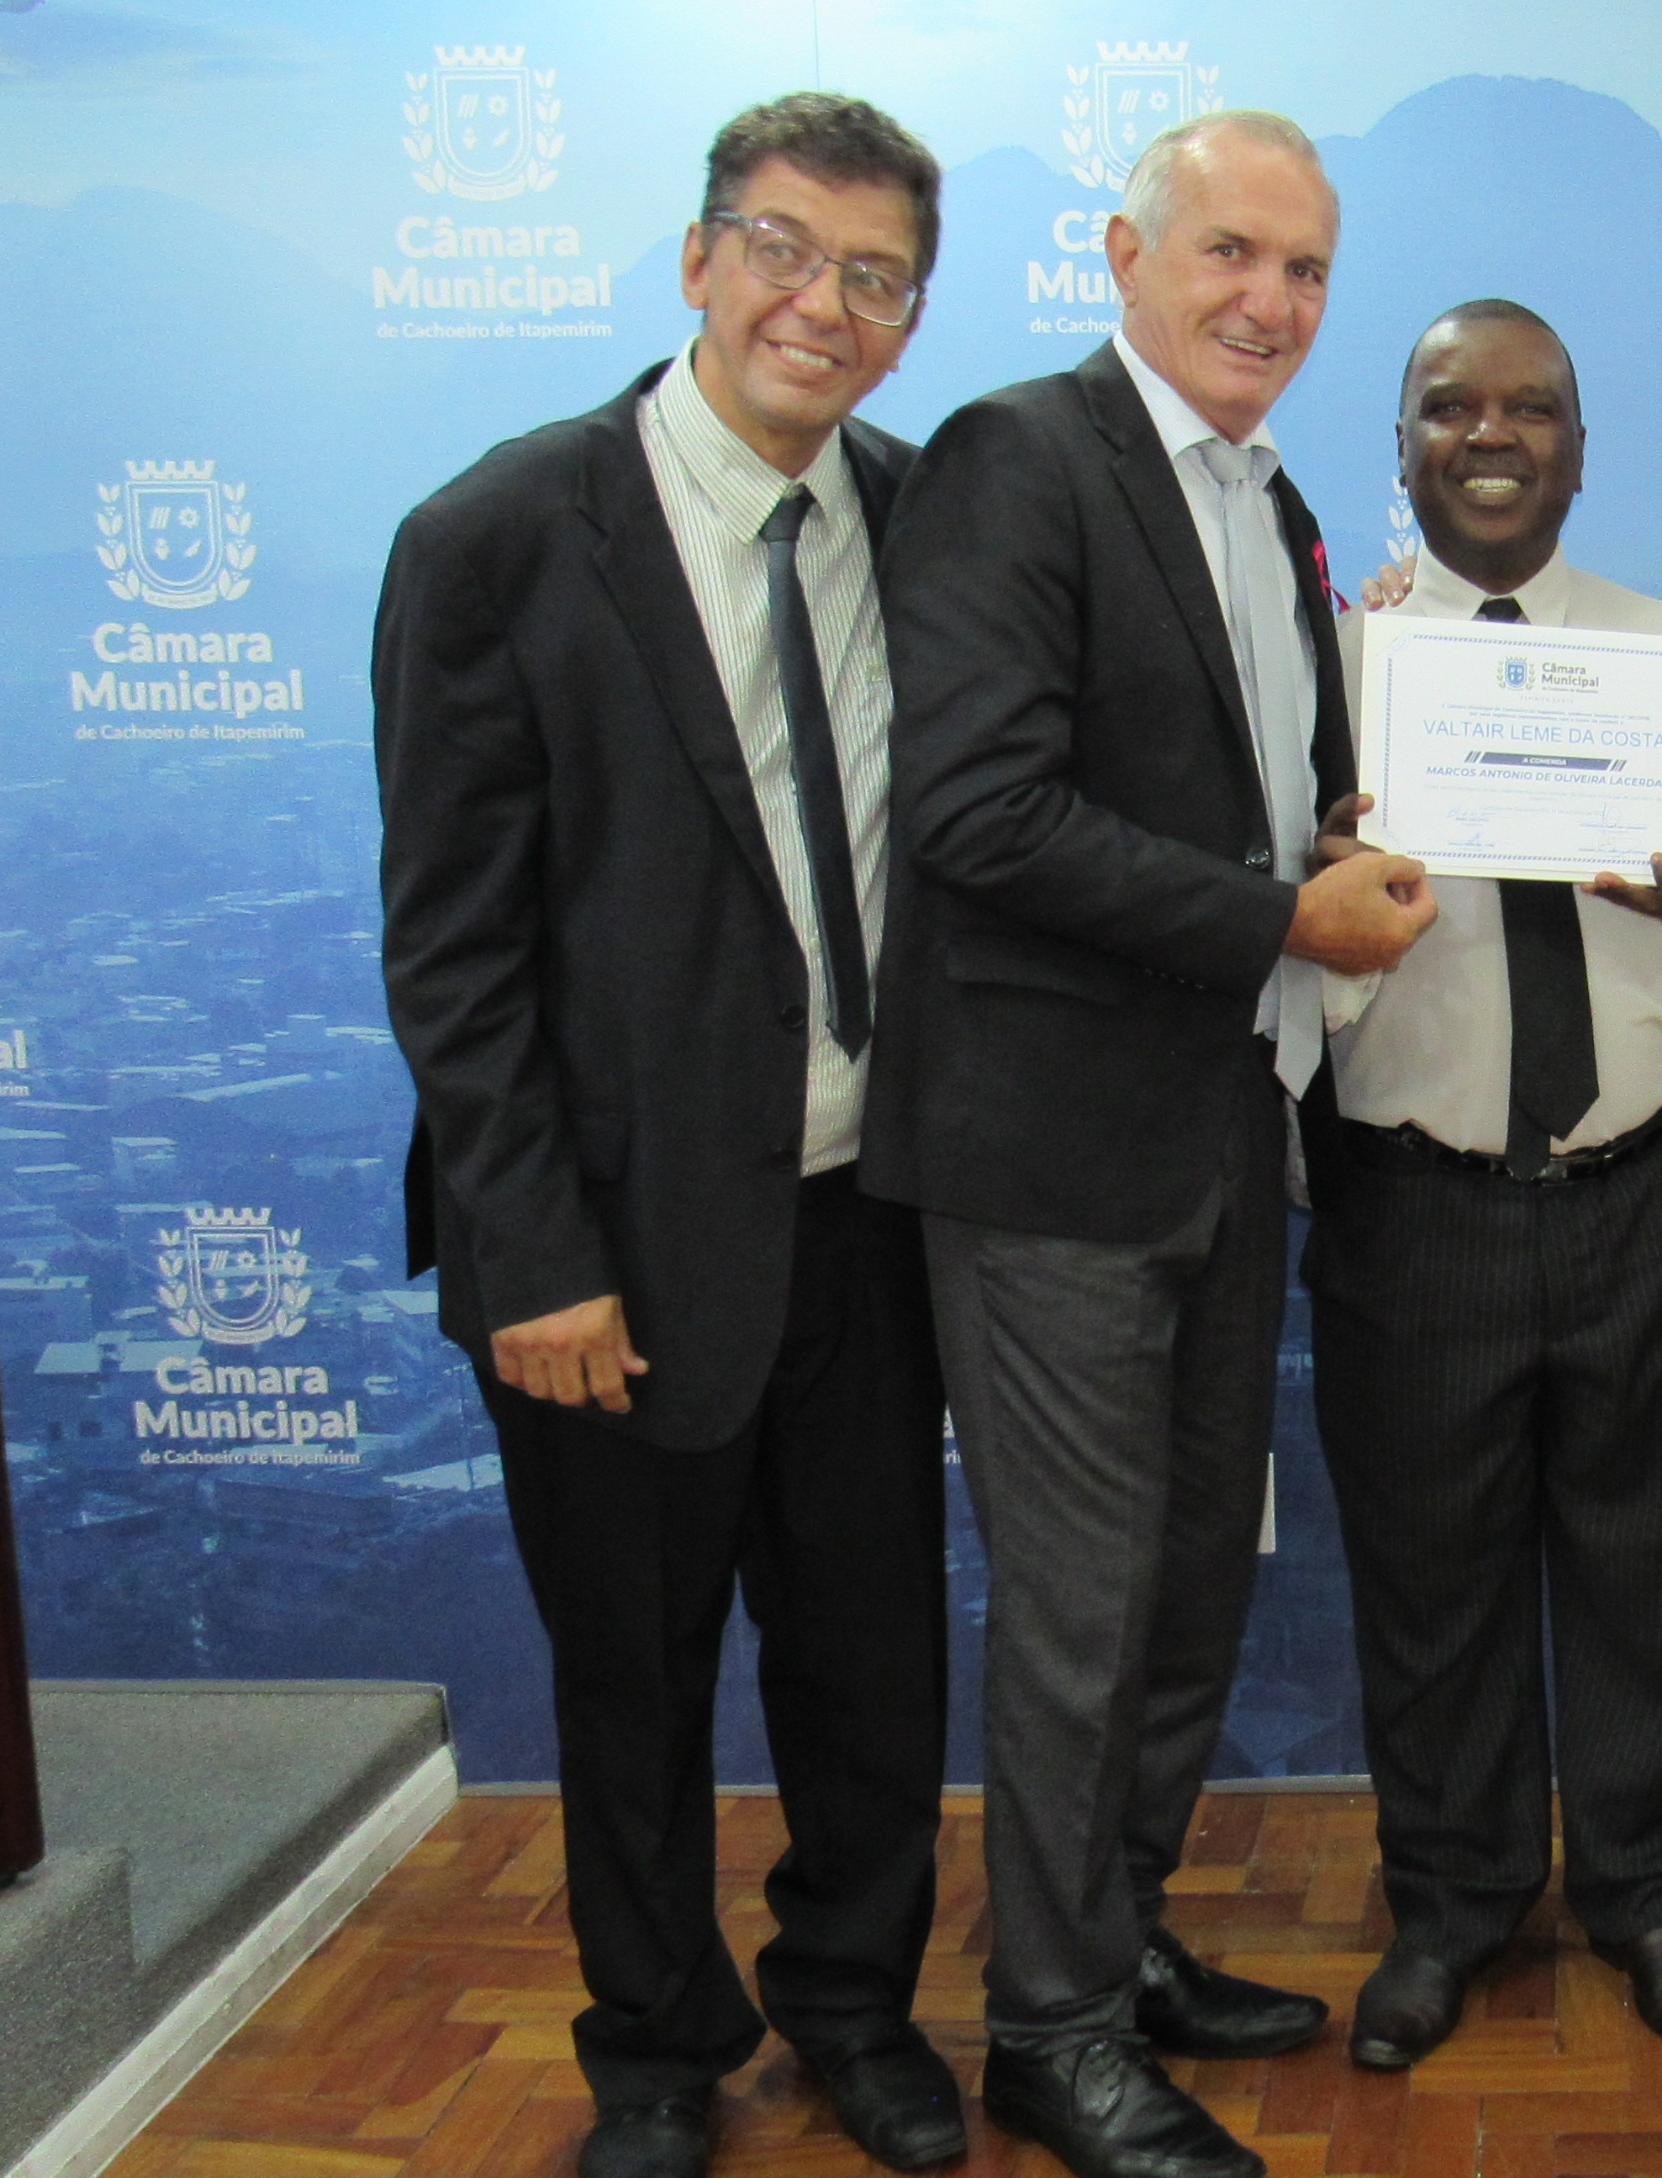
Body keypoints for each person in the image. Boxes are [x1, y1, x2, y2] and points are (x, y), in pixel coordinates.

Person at [375, 95, 965, 2178]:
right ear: (700, 257)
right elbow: (452, 949)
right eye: (785, 249)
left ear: (910, 318)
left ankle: (856, 2006)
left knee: (872, 1661)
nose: (824, 303)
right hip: (609, 1246)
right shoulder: (500, 536)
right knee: (632, 1680)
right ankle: (650, 2049)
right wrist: (533, 1254)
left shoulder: (921, 516)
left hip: (874, 1215)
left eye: (875, 276)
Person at [863, 110, 1434, 2178]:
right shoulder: (1020, 459)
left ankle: (1117, 1937)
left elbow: (1251, 795)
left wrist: (1348, 833)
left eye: (1305, 271)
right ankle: (1049, 2026)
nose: (1269, 302)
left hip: (1221, 1134)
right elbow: (980, 814)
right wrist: (1284, 912)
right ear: (1124, 256)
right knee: (1085, 1607)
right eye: (1230, 254)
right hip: (1050, 1161)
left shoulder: (1272, 504)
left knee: (1188, 1589)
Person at [1307, 300, 1662, 2070]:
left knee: (1648, 1567)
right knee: (1431, 1581)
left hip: (1642, 1184)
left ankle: (1653, 1895)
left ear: (1581, 451)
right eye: (1452, 407)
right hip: (1415, 1195)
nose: (1491, 435)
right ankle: (1451, 1900)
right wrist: (1336, 909)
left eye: (1531, 409)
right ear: (1406, 446)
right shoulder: (1333, 670)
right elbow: (1275, 953)